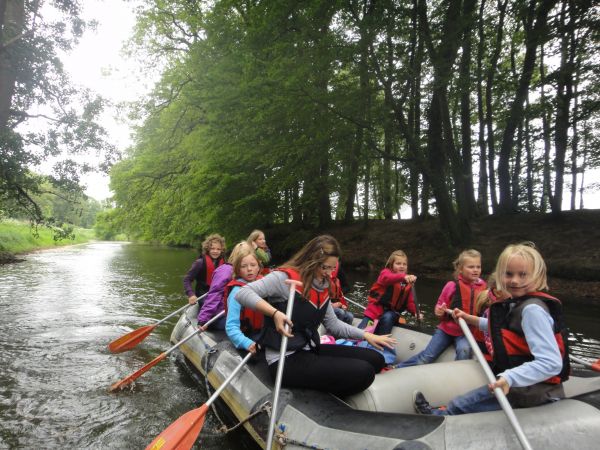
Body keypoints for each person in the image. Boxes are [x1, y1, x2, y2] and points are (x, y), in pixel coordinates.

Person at [413, 242, 570, 415]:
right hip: (525, 384)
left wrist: (509, 377)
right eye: (508, 274)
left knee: (461, 404)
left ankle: (435, 416)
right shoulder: (519, 303)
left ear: (538, 276)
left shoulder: (532, 310)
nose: (515, 280)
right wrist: (468, 318)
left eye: (523, 274)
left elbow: (551, 363)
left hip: (532, 390)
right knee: (467, 401)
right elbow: (500, 329)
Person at [236, 235, 396, 397]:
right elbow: (243, 293)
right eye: (325, 267)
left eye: (332, 268)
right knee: (365, 372)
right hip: (284, 360)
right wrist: (275, 313)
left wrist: (366, 335)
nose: (328, 273)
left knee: (376, 359)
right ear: (311, 261)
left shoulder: (321, 285)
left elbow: (333, 325)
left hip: (309, 349)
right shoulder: (283, 279)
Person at [395, 249, 486, 368]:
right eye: (471, 267)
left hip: (467, 332)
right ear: (460, 269)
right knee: (426, 358)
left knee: (464, 351)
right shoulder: (451, 286)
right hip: (446, 330)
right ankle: (398, 368)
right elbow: (439, 307)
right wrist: (439, 312)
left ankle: (457, 378)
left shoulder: (484, 288)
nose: (475, 270)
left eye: (478, 267)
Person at [358, 250, 420, 334]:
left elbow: (410, 302)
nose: (402, 266)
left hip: (391, 313)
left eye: (404, 264)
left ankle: (381, 342)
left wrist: (416, 312)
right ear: (391, 265)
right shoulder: (385, 273)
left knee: (388, 317)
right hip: (374, 311)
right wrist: (404, 277)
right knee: (361, 330)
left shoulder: (408, 283)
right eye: (398, 264)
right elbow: (387, 278)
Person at [224, 242, 264, 354]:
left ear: (258, 267)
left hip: (263, 334)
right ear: (238, 270)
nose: (249, 269)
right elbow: (231, 327)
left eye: (253, 265)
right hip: (246, 336)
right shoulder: (236, 292)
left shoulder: (265, 285)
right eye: (244, 266)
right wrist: (247, 343)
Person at [183, 234, 226, 305]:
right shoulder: (199, 263)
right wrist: (190, 294)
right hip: (203, 295)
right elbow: (187, 279)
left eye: (218, 249)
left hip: (218, 295)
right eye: (212, 248)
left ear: (222, 250)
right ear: (207, 249)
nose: (215, 251)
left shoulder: (224, 264)